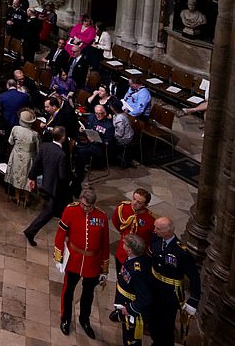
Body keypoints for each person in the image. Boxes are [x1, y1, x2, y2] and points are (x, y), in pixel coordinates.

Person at [54, 188, 110, 338]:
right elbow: (61, 233)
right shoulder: (70, 210)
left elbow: (105, 243)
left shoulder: (102, 216)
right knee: (68, 291)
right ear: (80, 200)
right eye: (84, 205)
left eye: (89, 206)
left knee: (88, 294)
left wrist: (104, 268)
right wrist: (58, 255)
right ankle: (65, 318)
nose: (86, 209)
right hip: (74, 259)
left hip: (92, 262)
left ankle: (84, 320)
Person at [149, 217, 201, 346]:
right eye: (155, 227)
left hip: (170, 294)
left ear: (169, 231)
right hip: (154, 288)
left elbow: (194, 277)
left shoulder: (181, 252)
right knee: (153, 321)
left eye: (158, 229)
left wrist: (194, 300)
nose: (154, 230)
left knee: (166, 326)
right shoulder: (156, 240)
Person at [23, 126, 70, 246]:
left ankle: (68, 232)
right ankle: (30, 231)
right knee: (51, 211)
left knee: (60, 211)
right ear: (63, 138)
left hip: (46, 184)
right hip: (57, 189)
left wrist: (31, 177)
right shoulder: (61, 155)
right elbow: (63, 176)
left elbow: (36, 163)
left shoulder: (45, 146)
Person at [114, 234, 153, 346]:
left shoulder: (137, 271)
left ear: (130, 250)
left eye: (124, 244)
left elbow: (145, 298)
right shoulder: (134, 260)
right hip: (125, 304)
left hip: (132, 310)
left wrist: (130, 309)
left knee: (131, 339)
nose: (123, 245)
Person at [6, 108, 39, 200]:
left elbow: (10, 142)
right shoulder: (35, 134)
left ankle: (17, 197)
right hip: (29, 157)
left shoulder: (15, 129)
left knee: (16, 176)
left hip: (16, 155)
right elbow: (38, 149)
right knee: (27, 177)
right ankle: (27, 198)